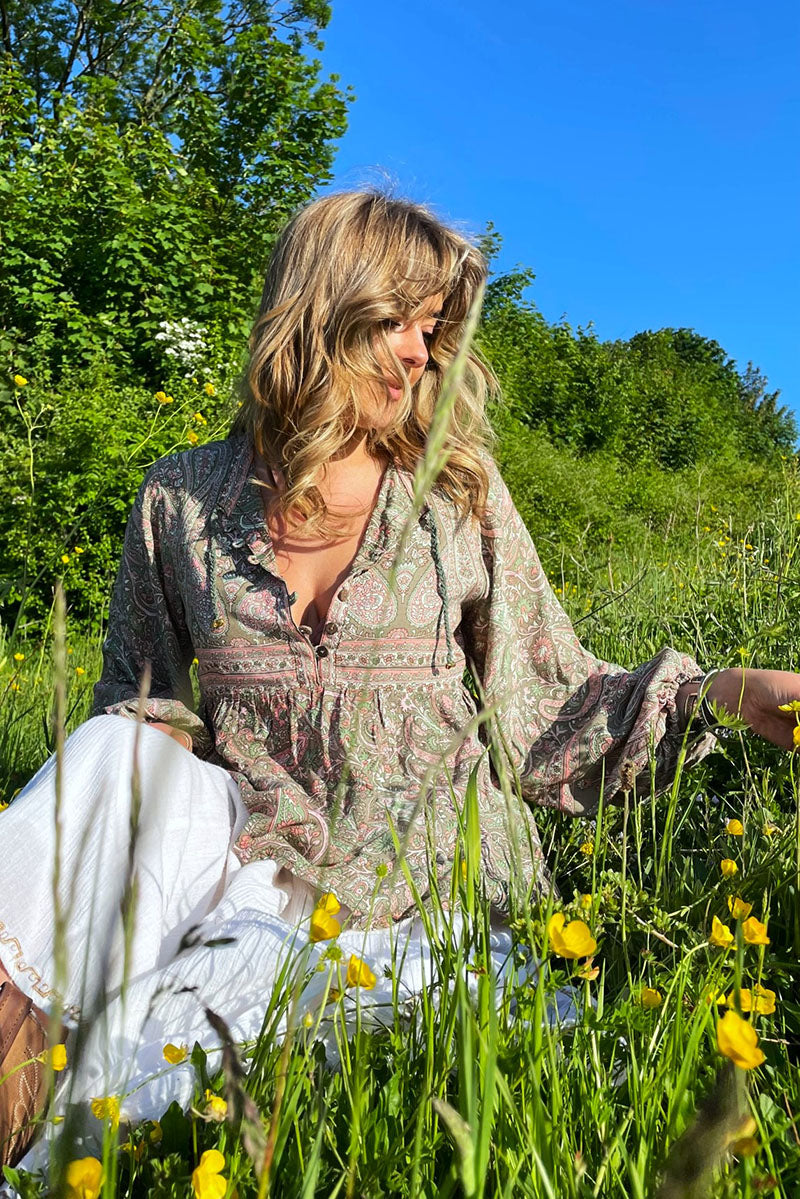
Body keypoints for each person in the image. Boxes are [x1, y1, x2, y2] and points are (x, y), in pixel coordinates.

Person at [2, 188, 799, 1167]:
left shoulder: (455, 497)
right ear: (318, 311)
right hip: (264, 890)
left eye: (435, 330)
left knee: (460, 1112)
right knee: (123, 1123)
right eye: (400, 323)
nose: (424, 355)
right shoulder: (178, 501)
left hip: (447, 903)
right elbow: (147, 706)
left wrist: (721, 689)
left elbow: (546, 703)